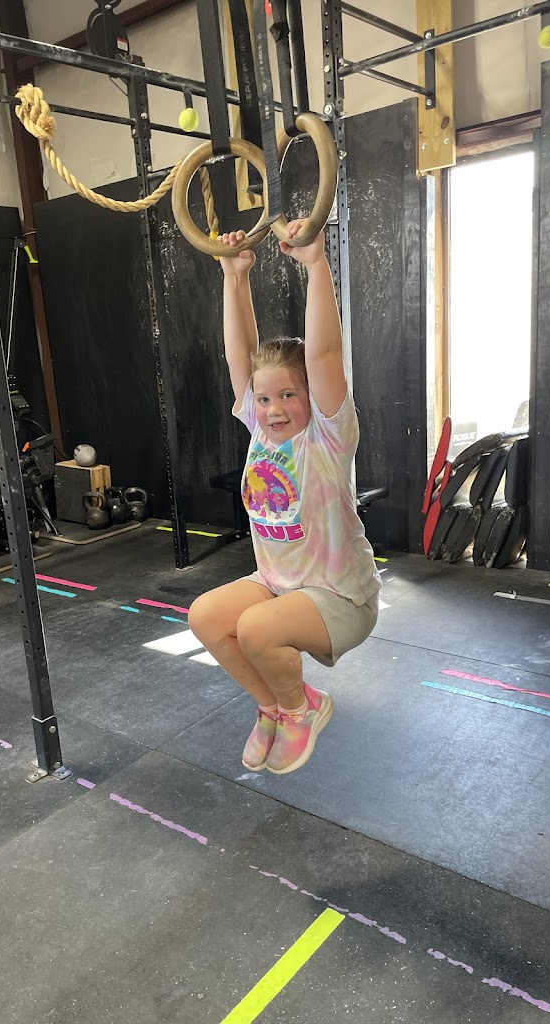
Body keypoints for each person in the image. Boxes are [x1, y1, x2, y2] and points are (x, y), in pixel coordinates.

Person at [188, 220, 381, 775]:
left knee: (254, 628)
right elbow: (240, 357)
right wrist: (234, 277)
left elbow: (324, 354)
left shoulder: (326, 435)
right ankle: (273, 706)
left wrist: (315, 263)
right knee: (206, 617)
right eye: (265, 398)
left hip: (340, 597)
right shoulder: (258, 431)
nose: (273, 409)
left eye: (289, 395)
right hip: (279, 585)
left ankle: (302, 709)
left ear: (311, 397)